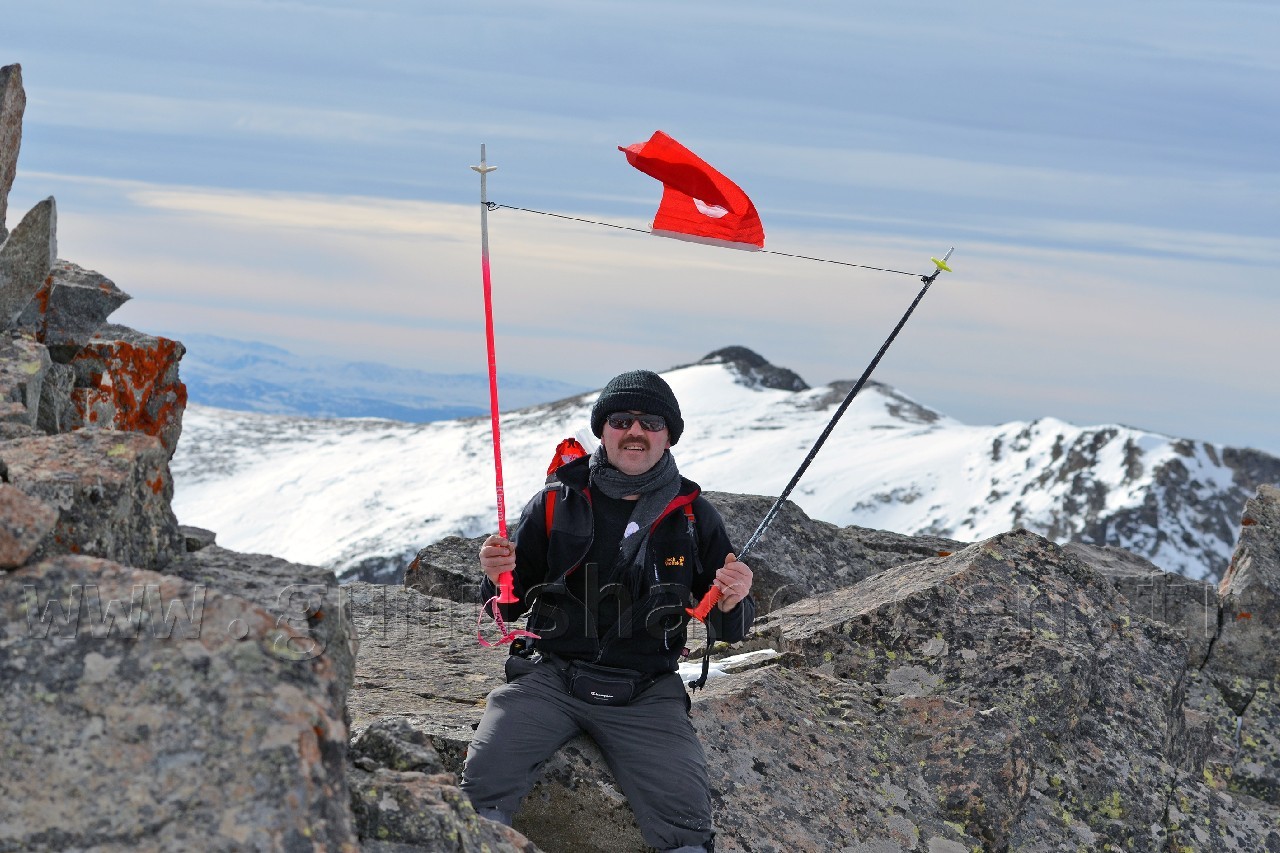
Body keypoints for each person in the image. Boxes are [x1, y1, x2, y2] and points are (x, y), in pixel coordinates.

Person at [462, 369, 755, 853]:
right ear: (602, 429)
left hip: (647, 691)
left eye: (651, 422)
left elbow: (729, 627)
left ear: (668, 436)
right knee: (481, 790)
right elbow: (509, 606)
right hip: (552, 678)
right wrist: (496, 577)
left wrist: (732, 598)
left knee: (686, 824)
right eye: (621, 419)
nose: (634, 431)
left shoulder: (694, 516)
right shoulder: (557, 503)